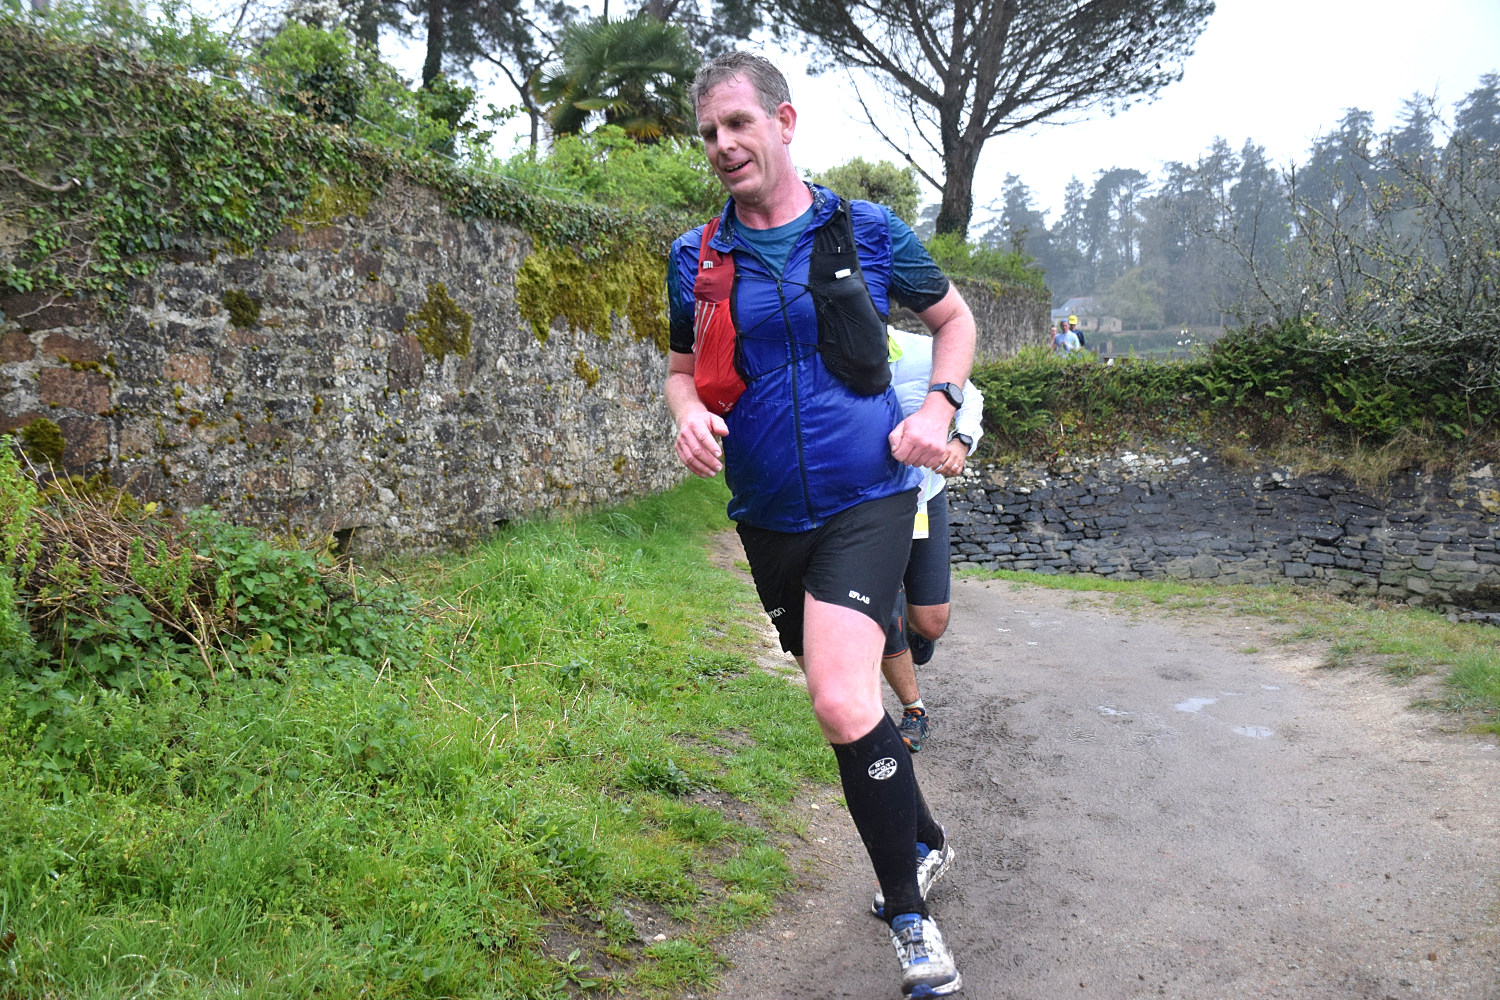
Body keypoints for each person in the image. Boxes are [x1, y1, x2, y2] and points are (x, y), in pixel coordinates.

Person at [665, 51, 973, 998]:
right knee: (851, 706)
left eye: (737, 124)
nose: (722, 144)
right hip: (766, 515)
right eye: (708, 132)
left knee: (840, 699)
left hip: (868, 494)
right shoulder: (696, 256)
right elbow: (680, 370)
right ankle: (925, 836)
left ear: (784, 122)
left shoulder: (866, 229)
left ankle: (911, 922)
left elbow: (954, 320)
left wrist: (939, 408)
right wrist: (686, 413)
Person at [881, 327, 984, 754]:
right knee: (880, 614)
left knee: (930, 623)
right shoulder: (826, 352)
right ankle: (914, 710)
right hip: (864, 505)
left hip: (924, 495)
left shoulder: (923, 351)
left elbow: (970, 397)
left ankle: (913, 621)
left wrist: (961, 441)